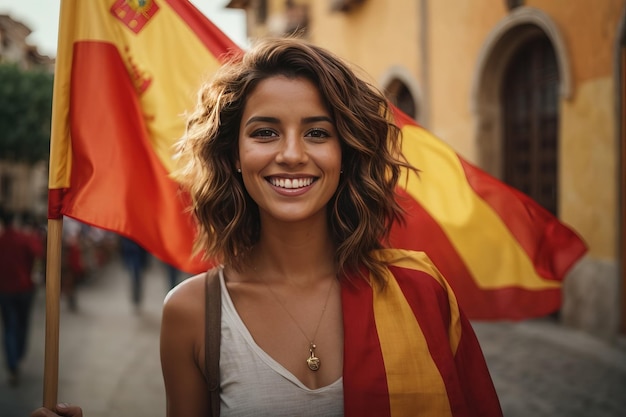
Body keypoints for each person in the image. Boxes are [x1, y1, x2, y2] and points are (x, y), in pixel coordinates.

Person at [31, 38, 502, 416]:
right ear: (235, 156)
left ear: (345, 155)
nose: (292, 153)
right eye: (265, 132)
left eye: (318, 133)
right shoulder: (193, 313)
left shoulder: (421, 290)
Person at [0, 208, 43, 386]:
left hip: (5, 290)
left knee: (9, 326)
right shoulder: (24, 238)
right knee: (23, 324)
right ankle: (19, 354)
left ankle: (13, 362)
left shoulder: (2, 240)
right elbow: (39, 254)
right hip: (25, 288)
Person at [119, 236, 150, 310]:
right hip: (132, 253)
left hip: (138, 253)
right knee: (135, 276)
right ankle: (136, 295)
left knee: (137, 277)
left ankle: (137, 295)